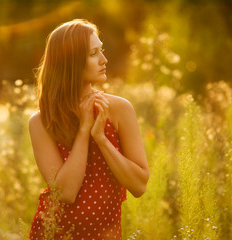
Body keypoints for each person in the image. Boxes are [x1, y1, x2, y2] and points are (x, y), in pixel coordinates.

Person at [28, 19, 149, 239]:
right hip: (54, 233)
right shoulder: (41, 122)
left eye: (101, 51)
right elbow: (65, 193)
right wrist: (84, 131)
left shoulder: (119, 109)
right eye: (93, 54)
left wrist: (101, 138)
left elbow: (139, 185)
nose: (104, 60)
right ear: (71, 62)